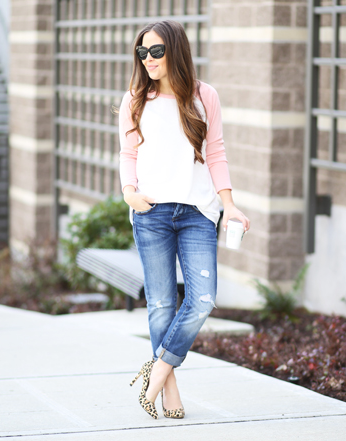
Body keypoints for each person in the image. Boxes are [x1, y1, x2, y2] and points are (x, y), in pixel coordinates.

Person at [119, 20, 250, 420]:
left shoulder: (203, 96)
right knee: (160, 303)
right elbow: (128, 155)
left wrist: (230, 205)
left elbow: (216, 153)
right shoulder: (135, 98)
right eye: (142, 53)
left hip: (197, 211)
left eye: (156, 51)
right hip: (151, 211)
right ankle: (167, 387)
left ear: (175, 51)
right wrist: (129, 193)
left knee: (203, 300)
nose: (149, 59)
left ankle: (155, 371)